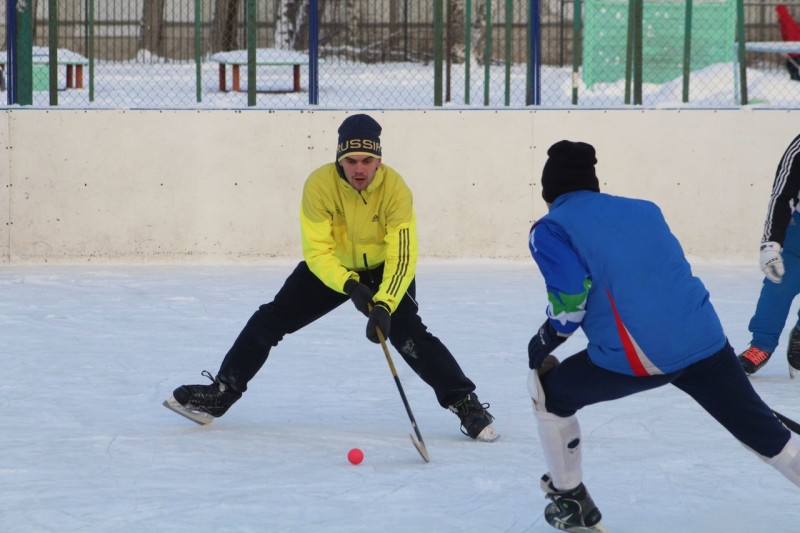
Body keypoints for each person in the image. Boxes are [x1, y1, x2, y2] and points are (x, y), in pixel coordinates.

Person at [163, 113, 497, 442]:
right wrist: (351, 286)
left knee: (409, 334)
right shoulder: (319, 184)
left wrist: (385, 303)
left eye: (368, 160)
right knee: (271, 319)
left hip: (384, 268)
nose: (359, 169)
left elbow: (403, 254)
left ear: (379, 160)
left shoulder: (395, 189)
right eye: (351, 160)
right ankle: (222, 393)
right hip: (333, 266)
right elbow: (317, 251)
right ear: (340, 158)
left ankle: (465, 403)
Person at [526, 140, 800, 532]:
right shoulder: (646, 209)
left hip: (639, 358)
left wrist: (545, 338)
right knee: (766, 436)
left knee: (548, 394)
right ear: (594, 184)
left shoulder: (549, 228)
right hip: (706, 339)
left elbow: (570, 304)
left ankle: (569, 499)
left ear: (549, 192)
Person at [737, 133, 800, 377]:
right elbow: (781, 196)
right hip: (797, 234)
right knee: (780, 285)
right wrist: (771, 244)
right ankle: (760, 346)